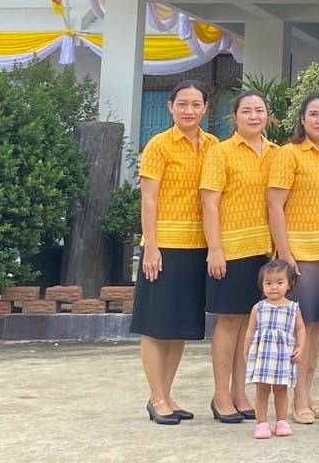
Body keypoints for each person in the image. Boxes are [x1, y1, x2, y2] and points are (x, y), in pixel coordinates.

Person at [133, 80, 220, 425]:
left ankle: (167, 394)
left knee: (179, 325)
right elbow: (149, 199)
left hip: (197, 246)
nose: (189, 110)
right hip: (164, 247)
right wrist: (151, 245)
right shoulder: (159, 145)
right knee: (156, 325)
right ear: (170, 108)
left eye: (196, 104)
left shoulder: (213, 145)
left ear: (205, 109)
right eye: (182, 104)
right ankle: (156, 397)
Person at [266, 93, 319, 425]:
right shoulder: (289, 155)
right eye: (313, 114)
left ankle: (307, 393)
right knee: (298, 330)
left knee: (316, 328)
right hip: (299, 255)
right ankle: (295, 399)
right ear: (302, 119)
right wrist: (285, 255)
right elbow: (275, 207)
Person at [200, 90, 278, 424]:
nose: (253, 116)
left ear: (268, 115)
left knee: (251, 323)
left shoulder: (276, 153)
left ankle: (240, 392)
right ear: (235, 117)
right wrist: (215, 249)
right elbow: (210, 203)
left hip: (264, 251)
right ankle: (220, 395)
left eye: (259, 110)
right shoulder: (221, 152)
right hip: (230, 251)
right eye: (246, 111)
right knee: (229, 321)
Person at [244, 259, 307, 440]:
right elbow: (250, 331)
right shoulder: (258, 308)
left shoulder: (293, 309)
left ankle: (281, 421)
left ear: (289, 284)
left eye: (279, 283)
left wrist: (301, 347)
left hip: (283, 356)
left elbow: (301, 329)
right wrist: (245, 352)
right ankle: (261, 423)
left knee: (281, 390)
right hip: (263, 356)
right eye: (268, 283)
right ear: (262, 285)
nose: (273, 287)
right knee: (262, 390)